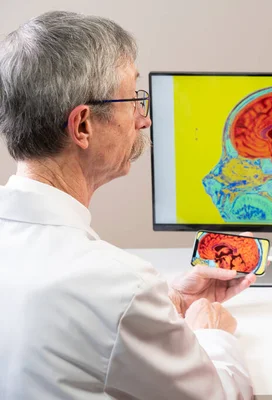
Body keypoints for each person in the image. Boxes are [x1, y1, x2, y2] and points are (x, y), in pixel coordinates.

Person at [0, 11, 255, 400]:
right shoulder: (116, 282)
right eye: (133, 99)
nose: (143, 120)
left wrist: (172, 304)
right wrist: (213, 335)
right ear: (82, 125)